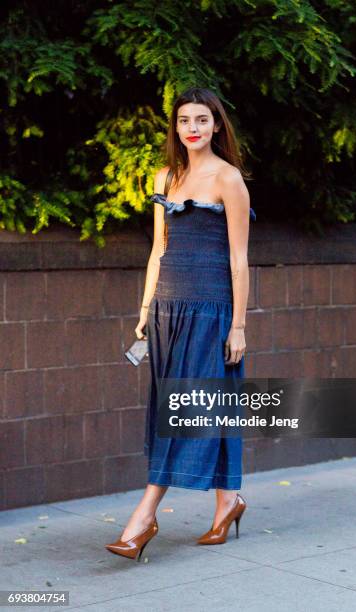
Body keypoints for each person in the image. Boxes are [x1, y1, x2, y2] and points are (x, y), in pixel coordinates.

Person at [105, 87, 256, 561]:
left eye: (202, 120)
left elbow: (239, 259)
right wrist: (145, 313)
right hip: (168, 311)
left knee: (186, 409)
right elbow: (157, 250)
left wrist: (239, 326)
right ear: (176, 127)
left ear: (216, 126)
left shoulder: (229, 179)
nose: (192, 128)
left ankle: (143, 516)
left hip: (212, 310)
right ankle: (228, 503)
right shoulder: (164, 176)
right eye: (184, 120)